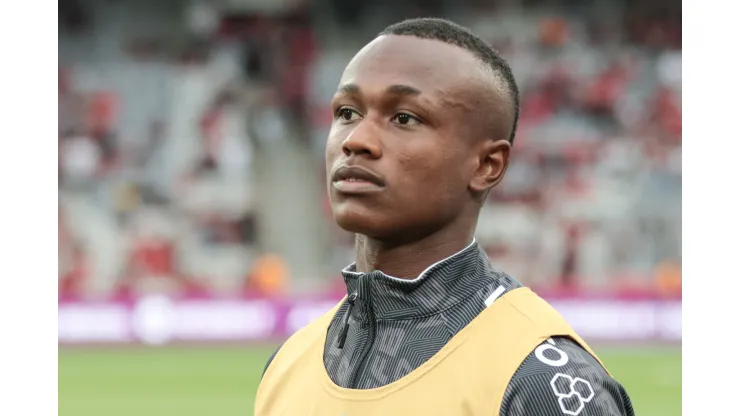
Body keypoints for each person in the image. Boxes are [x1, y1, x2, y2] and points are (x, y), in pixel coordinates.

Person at [255, 17, 635, 416]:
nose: (356, 140)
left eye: (404, 118)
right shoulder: (288, 364)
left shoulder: (539, 381)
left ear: (486, 164)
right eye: (347, 112)